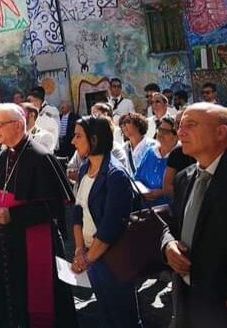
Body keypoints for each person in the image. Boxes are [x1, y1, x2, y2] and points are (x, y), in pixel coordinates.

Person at [0, 103, 76, 327]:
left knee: (38, 299)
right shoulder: (3, 154)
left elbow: (53, 208)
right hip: (8, 240)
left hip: (33, 239)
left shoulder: (40, 157)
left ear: (16, 125)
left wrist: (12, 216)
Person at [162, 103, 227, 326]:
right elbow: (172, 226)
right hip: (188, 301)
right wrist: (168, 244)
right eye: (180, 126)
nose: (180, 132)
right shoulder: (183, 178)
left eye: (190, 125)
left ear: (221, 132)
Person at [70, 116, 142, 327]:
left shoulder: (115, 175)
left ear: (94, 139)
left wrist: (86, 259)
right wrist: (78, 249)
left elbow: (111, 226)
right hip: (91, 256)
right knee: (107, 312)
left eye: (78, 136)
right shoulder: (84, 169)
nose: (73, 141)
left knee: (123, 316)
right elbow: (77, 211)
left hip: (113, 258)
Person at [134, 115, 173, 208]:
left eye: (165, 132)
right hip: (145, 208)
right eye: (159, 130)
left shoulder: (180, 156)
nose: (160, 134)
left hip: (167, 212)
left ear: (176, 135)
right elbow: (137, 176)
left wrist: (161, 192)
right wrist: (143, 191)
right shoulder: (150, 151)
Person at [27, 86, 60, 151]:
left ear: (40, 100)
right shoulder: (32, 112)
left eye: (35, 100)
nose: (32, 103)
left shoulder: (51, 111)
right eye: (31, 101)